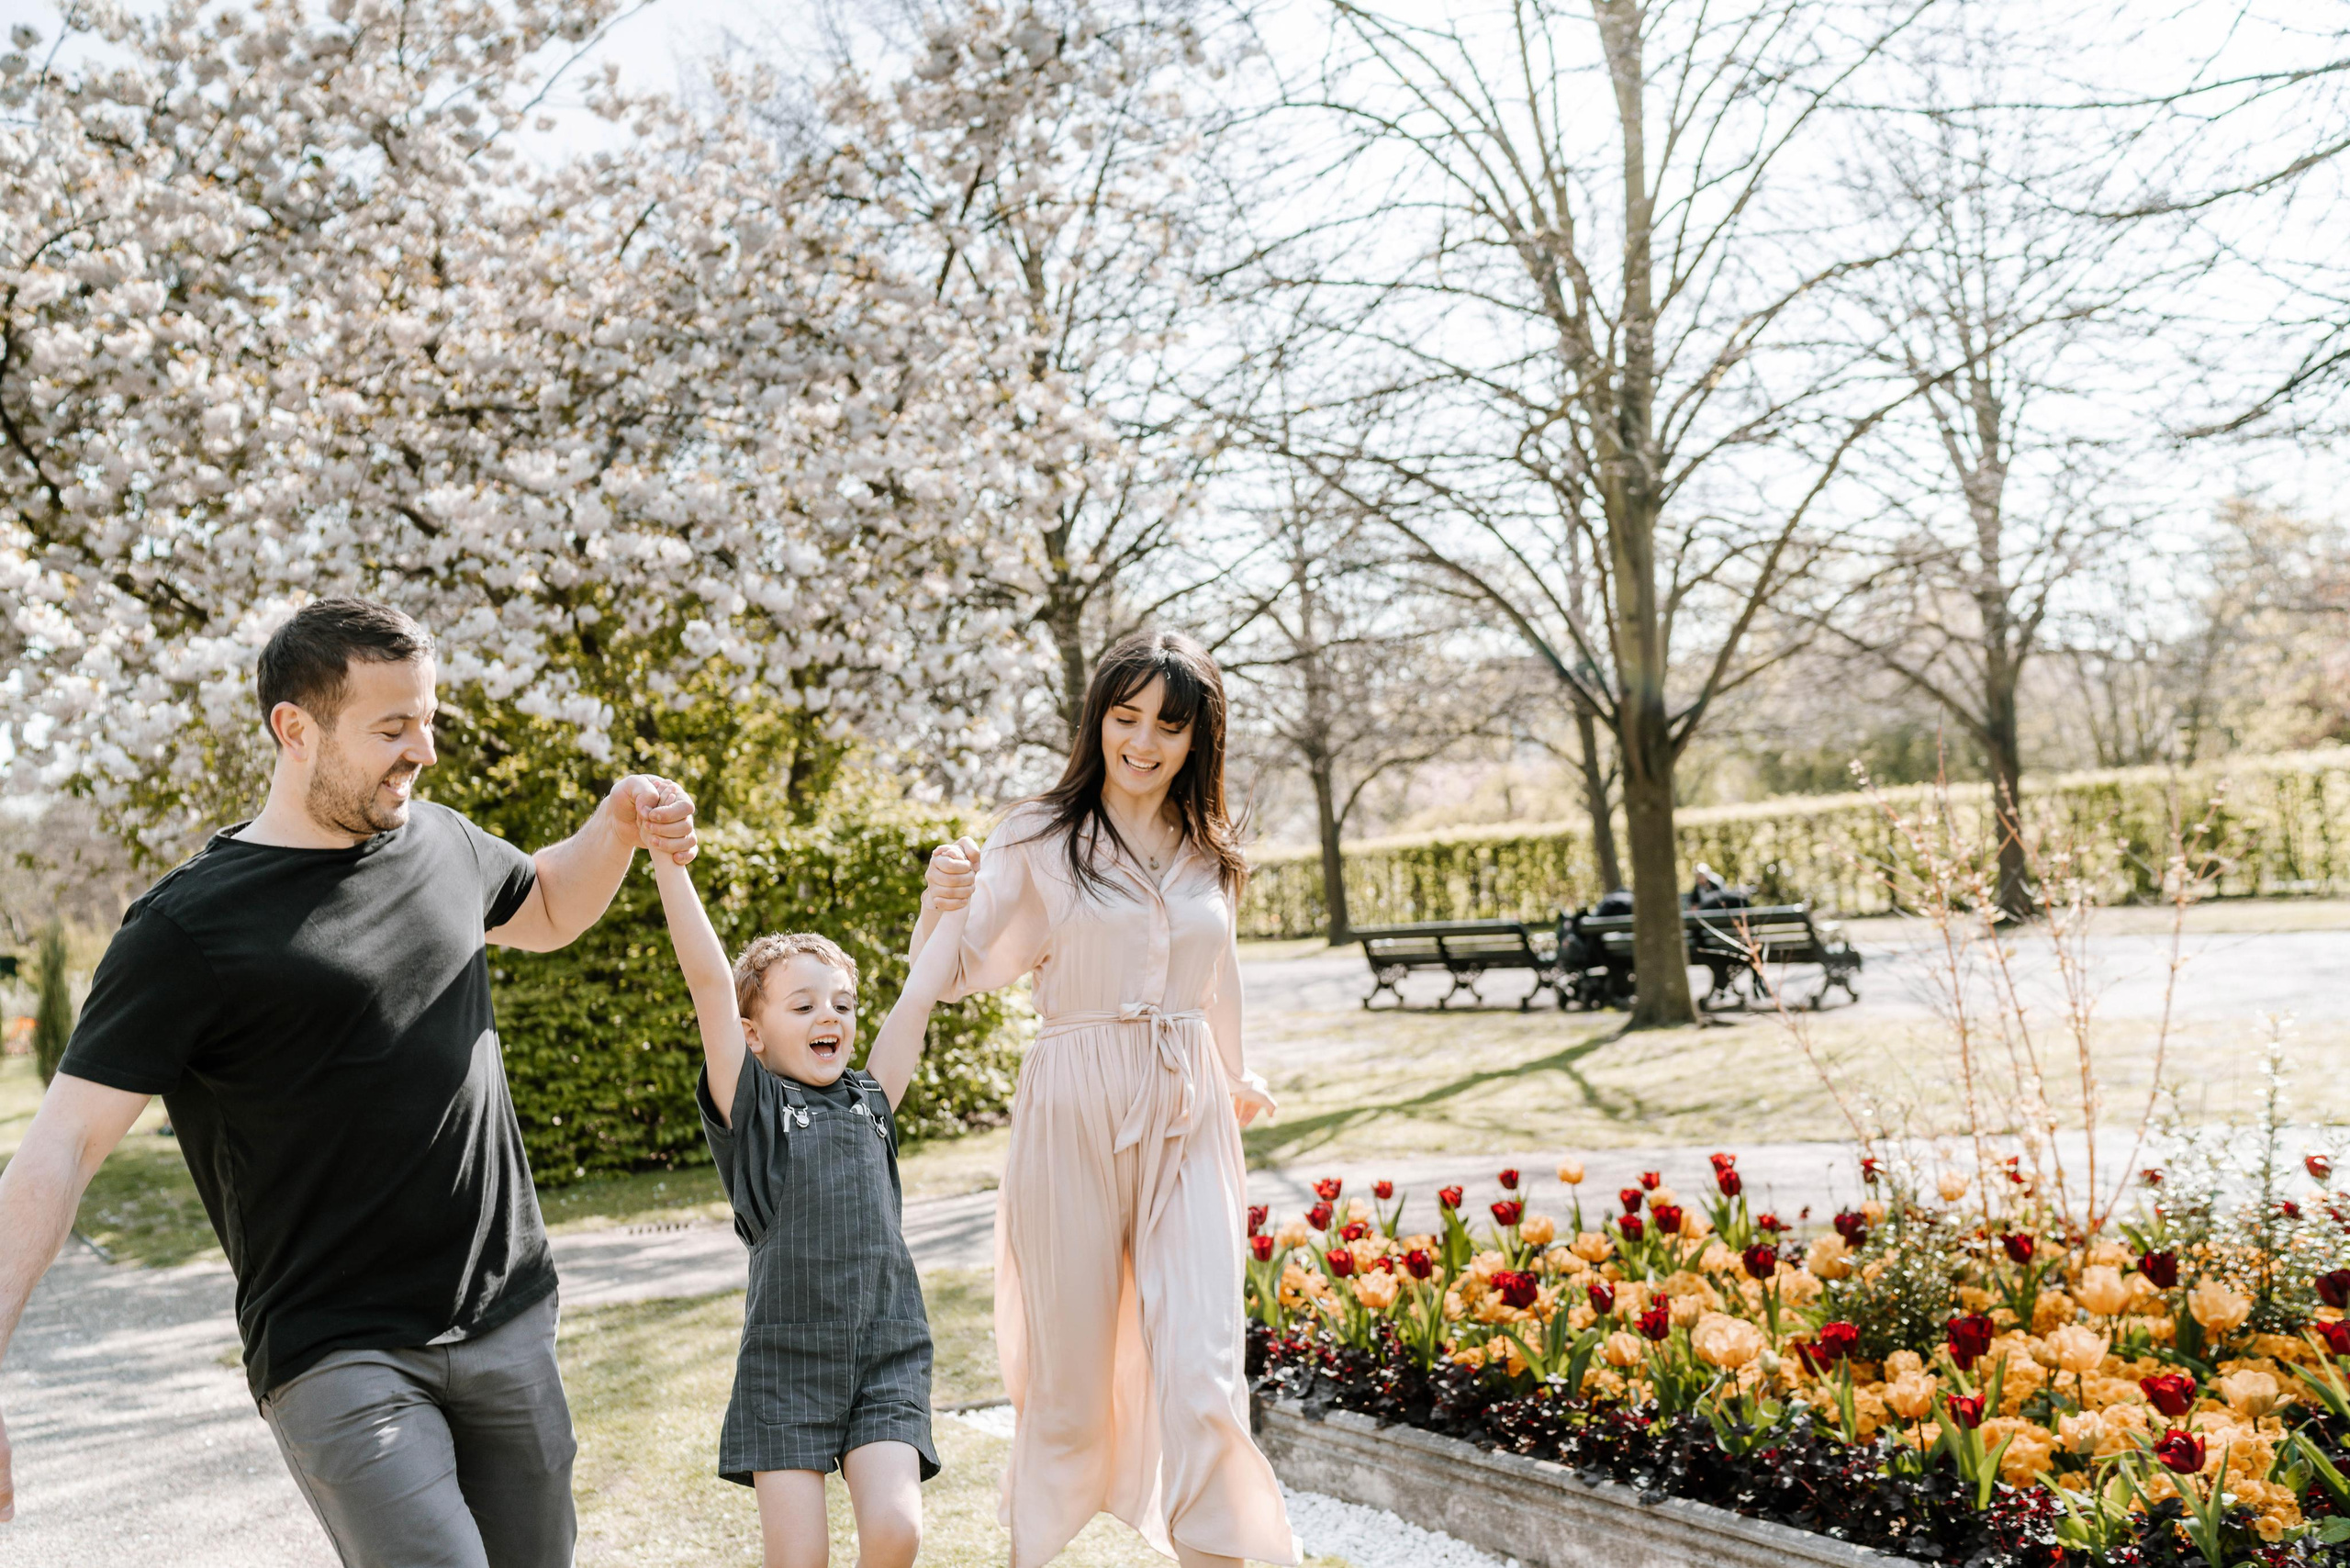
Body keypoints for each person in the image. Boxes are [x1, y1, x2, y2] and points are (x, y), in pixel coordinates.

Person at [0, 596, 698, 1567]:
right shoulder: (184, 931)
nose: (424, 751)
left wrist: (616, 822)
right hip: (337, 1351)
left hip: (506, 1313)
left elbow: (544, 907)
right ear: (296, 729)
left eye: (428, 719)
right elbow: (63, 1147)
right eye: (392, 727)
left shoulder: (442, 843)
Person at [912, 630, 1298, 1568]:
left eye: (1168, 725)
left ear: (1197, 737)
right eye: (1127, 718)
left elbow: (1218, 970)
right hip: (1073, 1108)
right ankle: (1036, 1551)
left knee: (1205, 1370)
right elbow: (956, 971)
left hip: (1189, 1111)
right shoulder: (1038, 835)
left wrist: (1237, 1072)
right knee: (1071, 1386)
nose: (1143, 742)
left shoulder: (1211, 848)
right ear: (1098, 721)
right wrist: (940, 900)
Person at [647, 834, 974, 1568]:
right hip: (785, 1363)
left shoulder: (871, 1099)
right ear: (753, 1035)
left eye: (842, 1004)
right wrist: (668, 859)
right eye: (803, 1005)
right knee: (800, 1559)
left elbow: (919, 993)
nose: (830, 1015)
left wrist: (950, 901)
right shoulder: (754, 1110)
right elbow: (708, 983)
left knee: (897, 1532)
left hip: (886, 1351)